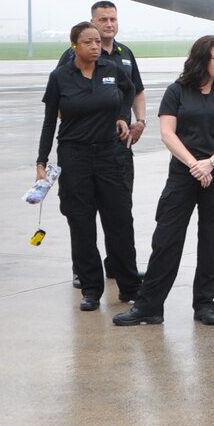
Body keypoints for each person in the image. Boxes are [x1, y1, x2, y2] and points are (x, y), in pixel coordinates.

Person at [116, 36, 214, 326]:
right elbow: (167, 133)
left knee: (211, 241)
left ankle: (204, 305)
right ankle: (149, 306)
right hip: (184, 175)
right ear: (201, 59)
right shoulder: (177, 91)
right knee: (167, 238)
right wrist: (194, 165)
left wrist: (210, 163)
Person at [36, 21, 142, 310]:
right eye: (88, 42)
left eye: (97, 42)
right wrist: (41, 162)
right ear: (75, 46)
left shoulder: (111, 70)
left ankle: (129, 284)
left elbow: (130, 89)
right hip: (75, 156)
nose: (96, 46)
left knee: (119, 220)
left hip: (110, 155)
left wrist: (122, 115)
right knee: (81, 223)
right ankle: (91, 288)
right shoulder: (60, 77)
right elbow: (49, 123)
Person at [54, 1, 146, 289]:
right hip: (82, 147)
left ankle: (118, 268)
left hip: (118, 146)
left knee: (119, 210)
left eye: (113, 19)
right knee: (82, 213)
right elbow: (59, 100)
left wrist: (139, 121)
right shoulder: (71, 57)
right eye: (103, 19)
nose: (109, 24)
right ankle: (83, 271)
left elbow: (136, 90)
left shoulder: (125, 54)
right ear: (92, 22)